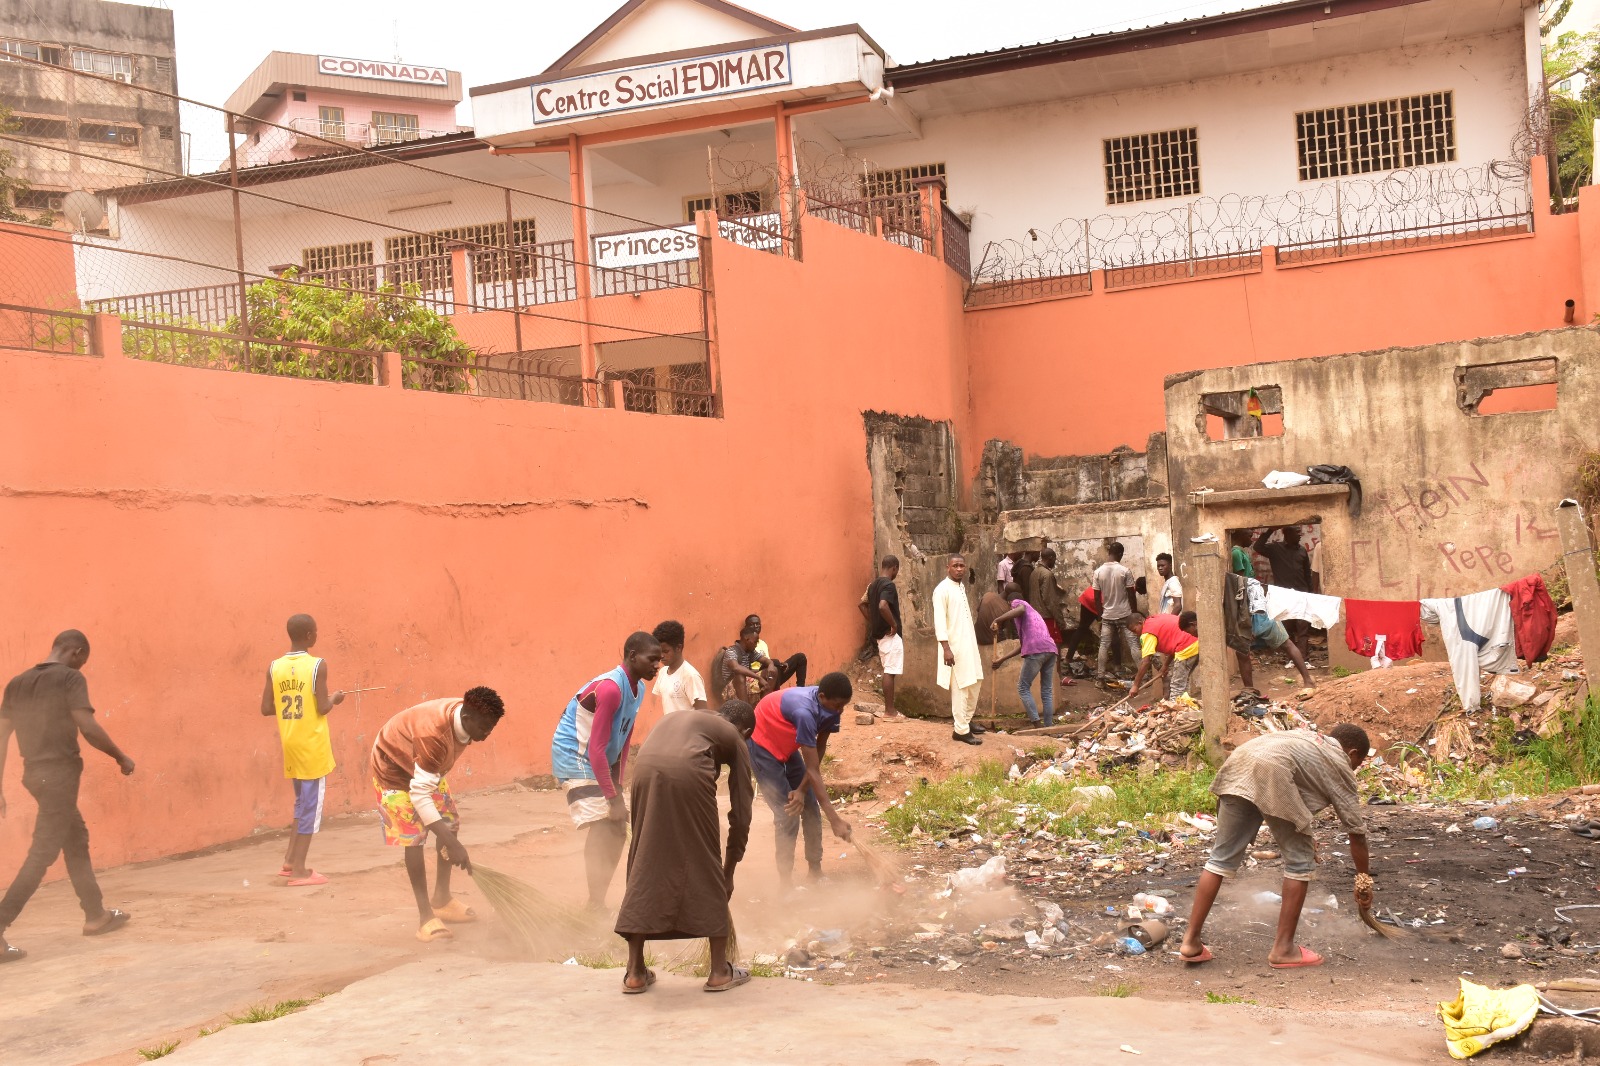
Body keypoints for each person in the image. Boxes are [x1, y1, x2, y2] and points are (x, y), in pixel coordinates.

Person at [1179, 725, 1373, 969]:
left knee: (1220, 859)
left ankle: (1190, 942)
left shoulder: (1306, 738)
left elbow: (1295, 793)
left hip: (1239, 763)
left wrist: (1304, 833)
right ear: (1353, 753)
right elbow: (1356, 832)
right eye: (1359, 762)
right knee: (1301, 862)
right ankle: (1283, 949)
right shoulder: (1338, 760)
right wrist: (1364, 879)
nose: (1355, 767)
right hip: (1271, 772)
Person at [0, 631, 134, 962]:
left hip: (35, 775)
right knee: (42, 853)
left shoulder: (17, 683)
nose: (82, 665)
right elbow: (87, 728)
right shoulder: (70, 679)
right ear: (76, 652)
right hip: (59, 776)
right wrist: (120, 756)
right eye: (83, 659)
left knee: (75, 839)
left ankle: (95, 914)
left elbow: (1, 736)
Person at [617, 699, 756, 995]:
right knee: (705, 859)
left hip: (643, 770)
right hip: (688, 771)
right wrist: (727, 871)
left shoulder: (685, 719)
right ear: (743, 729)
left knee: (645, 857)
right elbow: (742, 812)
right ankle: (719, 971)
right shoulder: (734, 735)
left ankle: (635, 972)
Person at [370, 687, 504, 942]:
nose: (487, 734)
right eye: (485, 727)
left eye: (492, 727)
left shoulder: (467, 712)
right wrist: (453, 845)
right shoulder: (434, 735)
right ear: (467, 719)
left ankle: (442, 899)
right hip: (393, 770)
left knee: (449, 822)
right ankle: (425, 918)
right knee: (414, 837)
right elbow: (420, 796)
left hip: (424, 768)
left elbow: (426, 783)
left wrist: (450, 837)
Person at [552, 632, 663, 911]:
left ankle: (595, 902)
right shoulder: (611, 688)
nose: (657, 665)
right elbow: (596, 749)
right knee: (607, 824)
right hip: (575, 757)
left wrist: (618, 787)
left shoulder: (639, 689)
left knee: (615, 825)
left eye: (660, 660)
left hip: (598, 759)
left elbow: (623, 740)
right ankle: (595, 903)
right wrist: (612, 800)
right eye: (652, 659)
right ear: (632, 655)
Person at [259, 613, 345, 887]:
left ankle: (289, 860)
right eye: (316, 632)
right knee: (310, 806)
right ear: (310, 636)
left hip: (290, 742)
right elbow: (322, 707)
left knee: (300, 803)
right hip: (312, 745)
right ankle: (299, 869)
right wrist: (334, 698)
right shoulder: (318, 665)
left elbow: (266, 708)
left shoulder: (275, 666)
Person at [748, 677, 855, 891]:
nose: (840, 711)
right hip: (763, 744)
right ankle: (785, 884)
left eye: (844, 706)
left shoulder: (831, 708)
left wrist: (801, 790)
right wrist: (834, 820)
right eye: (837, 706)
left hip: (787, 745)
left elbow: (819, 750)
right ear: (822, 697)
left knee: (810, 806)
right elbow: (813, 770)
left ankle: (815, 871)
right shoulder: (805, 713)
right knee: (787, 813)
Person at [933, 554, 985, 746]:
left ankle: (967, 720)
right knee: (961, 686)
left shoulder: (961, 587)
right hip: (954, 649)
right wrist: (946, 649)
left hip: (969, 646)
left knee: (976, 680)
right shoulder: (941, 590)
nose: (959, 569)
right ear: (948, 567)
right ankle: (960, 730)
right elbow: (939, 623)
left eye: (962, 566)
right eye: (955, 566)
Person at [989, 583, 1057, 727]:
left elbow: (1020, 608)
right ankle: (1049, 726)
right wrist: (1001, 659)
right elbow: (1023, 645)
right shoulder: (1033, 615)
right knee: (1047, 690)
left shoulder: (1019, 603)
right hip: (1050, 649)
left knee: (1023, 687)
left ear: (1010, 603)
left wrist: (998, 619)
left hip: (1036, 651)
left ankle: (1037, 724)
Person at [1254, 527, 1315, 657]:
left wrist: (1311, 594)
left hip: (1302, 595)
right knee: (1287, 628)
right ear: (1286, 533)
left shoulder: (1302, 551)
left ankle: (1303, 657)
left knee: (1303, 628)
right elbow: (1257, 547)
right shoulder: (1275, 549)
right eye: (1296, 532)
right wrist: (1270, 530)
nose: (1300, 534)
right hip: (1283, 596)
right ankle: (1292, 658)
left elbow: (1307, 575)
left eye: (1300, 532)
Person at [859, 556, 906, 721]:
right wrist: (893, 624)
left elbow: (862, 604)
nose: (896, 574)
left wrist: (873, 621)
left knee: (889, 669)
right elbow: (882, 605)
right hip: (889, 635)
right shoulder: (888, 585)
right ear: (894, 568)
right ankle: (890, 711)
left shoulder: (872, 586)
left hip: (880, 636)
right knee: (890, 671)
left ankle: (889, 710)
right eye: (897, 570)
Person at [1093, 542, 1140, 683]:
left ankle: (1100, 677)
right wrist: (1134, 613)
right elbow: (1131, 594)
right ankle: (1141, 675)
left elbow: (1096, 597)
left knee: (1104, 645)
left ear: (1109, 553)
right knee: (1133, 644)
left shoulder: (1098, 572)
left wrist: (1100, 616)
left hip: (1107, 615)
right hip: (1125, 614)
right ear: (1120, 554)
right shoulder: (1125, 571)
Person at [1129, 610, 1200, 701]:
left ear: (1140, 623)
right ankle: (1184, 709)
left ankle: (1176, 712)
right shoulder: (1156, 619)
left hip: (1186, 647)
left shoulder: (1147, 632)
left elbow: (1145, 662)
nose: (1136, 634)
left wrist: (1135, 685)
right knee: (1183, 682)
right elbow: (1174, 643)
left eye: (1135, 630)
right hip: (1195, 643)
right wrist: (1165, 666)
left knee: (1176, 686)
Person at [651, 620, 707, 715]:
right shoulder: (662, 672)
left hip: (687, 729)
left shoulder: (690, 676)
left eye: (665, 651)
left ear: (678, 648)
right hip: (670, 728)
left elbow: (703, 712)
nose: (661, 656)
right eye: (659, 651)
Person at [745, 614, 807, 689]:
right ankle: (775, 695)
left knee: (800, 657)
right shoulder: (746, 643)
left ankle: (800, 690)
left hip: (772, 673)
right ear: (746, 627)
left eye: (757, 624)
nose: (755, 627)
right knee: (774, 662)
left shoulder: (763, 643)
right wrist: (772, 666)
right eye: (751, 624)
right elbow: (745, 670)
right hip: (758, 676)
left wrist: (779, 666)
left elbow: (768, 662)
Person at [712, 626, 766, 705]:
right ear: (747, 639)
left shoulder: (750, 652)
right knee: (740, 676)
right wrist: (758, 677)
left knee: (771, 672)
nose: (756, 645)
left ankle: (764, 706)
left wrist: (771, 666)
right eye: (755, 642)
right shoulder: (731, 651)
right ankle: (746, 709)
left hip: (745, 683)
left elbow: (766, 660)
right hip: (729, 688)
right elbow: (736, 668)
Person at [1027, 548, 1067, 656]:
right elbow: (1050, 600)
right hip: (1046, 617)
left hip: (1035, 616)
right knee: (1055, 645)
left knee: (1041, 648)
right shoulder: (1047, 574)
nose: (1054, 562)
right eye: (1054, 559)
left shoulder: (1034, 572)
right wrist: (1060, 620)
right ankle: (1056, 672)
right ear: (1051, 558)